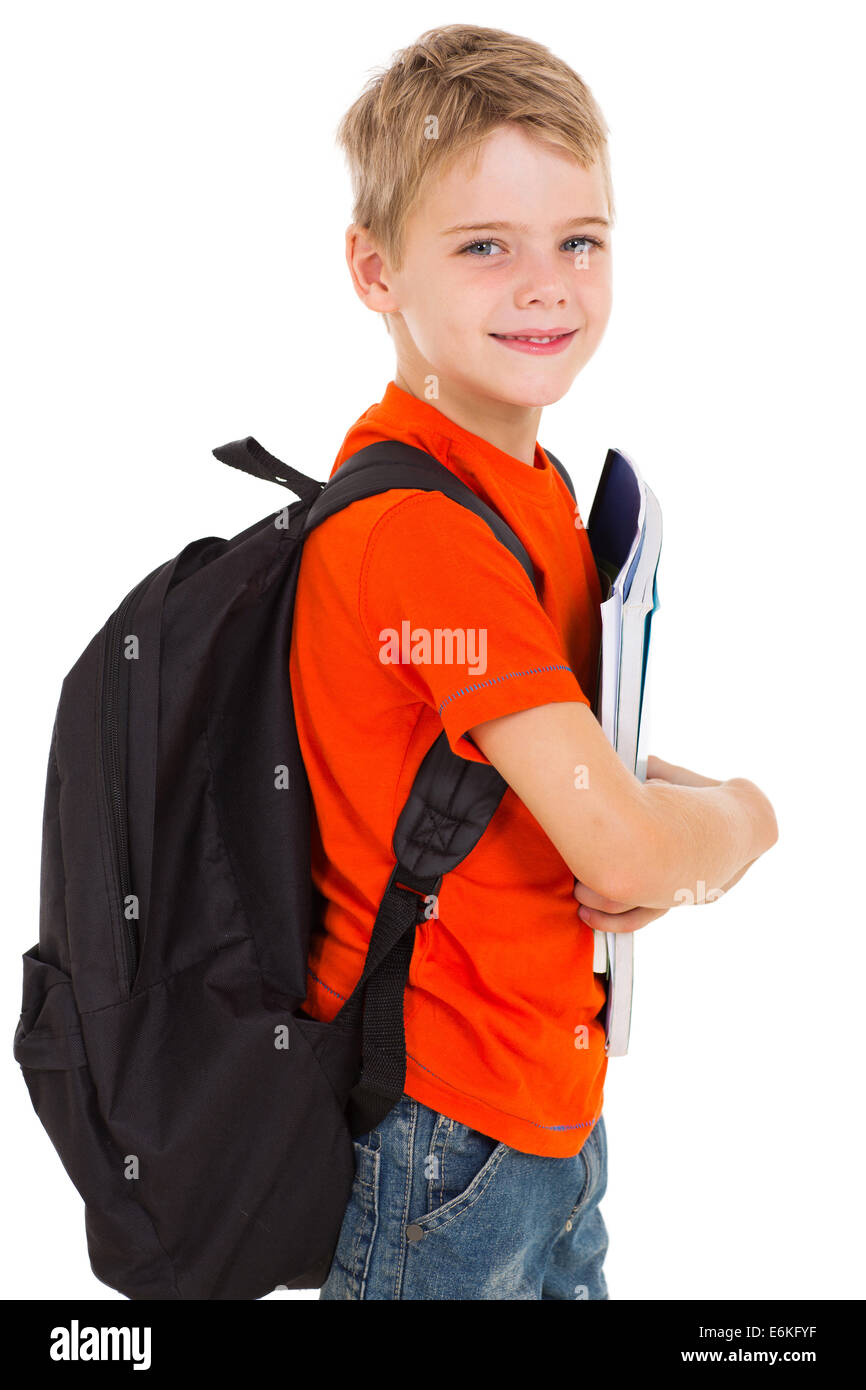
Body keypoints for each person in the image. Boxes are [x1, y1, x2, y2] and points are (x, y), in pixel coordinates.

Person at [288, 23, 778, 1301]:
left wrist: (654, 807)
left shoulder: (529, 490)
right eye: (483, 246)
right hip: (438, 1138)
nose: (545, 285)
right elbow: (615, 850)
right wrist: (741, 817)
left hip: (543, 1109)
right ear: (373, 270)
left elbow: (573, 757)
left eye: (578, 240)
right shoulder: (422, 535)